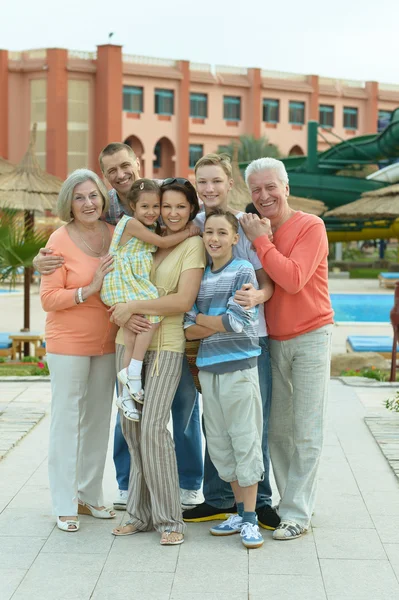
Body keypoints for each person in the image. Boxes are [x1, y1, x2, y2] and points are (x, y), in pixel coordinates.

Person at [33, 143, 204, 510]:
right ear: (106, 176)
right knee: (120, 412)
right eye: (112, 170)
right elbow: (60, 264)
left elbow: (203, 219)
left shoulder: (161, 195)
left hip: (140, 326)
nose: (121, 175)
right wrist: (45, 264)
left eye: (126, 166)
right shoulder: (105, 211)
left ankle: (185, 482)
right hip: (106, 327)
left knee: (178, 405)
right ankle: (117, 486)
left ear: (138, 164)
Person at [181, 153, 280, 532]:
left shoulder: (245, 224)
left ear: (229, 184)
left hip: (251, 339)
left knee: (255, 424)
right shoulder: (195, 228)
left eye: (216, 181)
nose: (209, 189)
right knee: (218, 426)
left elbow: (264, 279)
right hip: (210, 348)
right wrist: (206, 324)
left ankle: (261, 504)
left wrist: (259, 297)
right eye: (202, 182)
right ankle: (223, 501)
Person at [240, 157, 334, 540]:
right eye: (257, 190)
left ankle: (296, 513)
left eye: (271, 187)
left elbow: (293, 280)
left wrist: (261, 239)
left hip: (311, 335)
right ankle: (289, 501)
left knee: (306, 429)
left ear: (286, 187)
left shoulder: (311, 225)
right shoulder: (251, 230)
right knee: (278, 431)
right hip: (273, 341)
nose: (264, 195)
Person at [110, 178, 205, 545]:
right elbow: (120, 281)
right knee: (130, 429)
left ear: (191, 209)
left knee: (152, 428)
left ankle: (170, 520)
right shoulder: (144, 238)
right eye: (167, 206)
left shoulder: (192, 245)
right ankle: (138, 512)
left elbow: (182, 302)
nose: (172, 213)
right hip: (128, 340)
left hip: (165, 344)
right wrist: (120, 313)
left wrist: (133, 307)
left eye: (181, 206)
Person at [40, 169, 118, 532]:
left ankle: (89, 495)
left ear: (103, 199)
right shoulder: (58, 240)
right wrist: (89, 289)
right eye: (80, 197)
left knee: (99, 419)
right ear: (68, 203)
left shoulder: (114, 234)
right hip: (68, 342)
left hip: (108, 341)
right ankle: (64, 503)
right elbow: (48, 299)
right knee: (67, 420)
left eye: (93, 196)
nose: (88, 203)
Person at [184, 209, 265, 549]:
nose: (214, 239)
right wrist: (209, 320)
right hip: (208, 371)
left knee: (245, 441)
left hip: (239, 369)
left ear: (235, 238)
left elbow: (237, 323)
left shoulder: (243, 270)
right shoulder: (198, 275)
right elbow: (186, 328)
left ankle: (251, 520)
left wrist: (203, 319)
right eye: (209, 233)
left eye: (221, 233)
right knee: (220, 444)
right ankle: (238, 511)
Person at [101, 178, 199, 421]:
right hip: (122, 283)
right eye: (146, 207)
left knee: (132, 334)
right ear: (132, 206)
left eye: (157, 207)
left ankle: (125, 393)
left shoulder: (147, 227)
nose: (153, 212)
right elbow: (163, 243)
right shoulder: (132, 225)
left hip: (124, 284)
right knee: (153, 313)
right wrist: (189, 231)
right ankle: (133, 370)